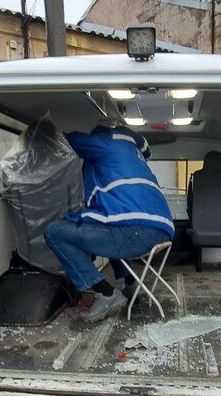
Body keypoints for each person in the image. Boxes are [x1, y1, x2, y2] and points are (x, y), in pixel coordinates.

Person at [44, 124, 174, 322]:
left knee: (54, 232)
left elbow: (67, 141)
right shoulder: (134, 155)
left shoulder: (108, 143)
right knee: (108, 227)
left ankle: (105, 294)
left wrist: (45, 131)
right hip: (159, 231)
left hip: (136, 231)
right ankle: (127, 283)